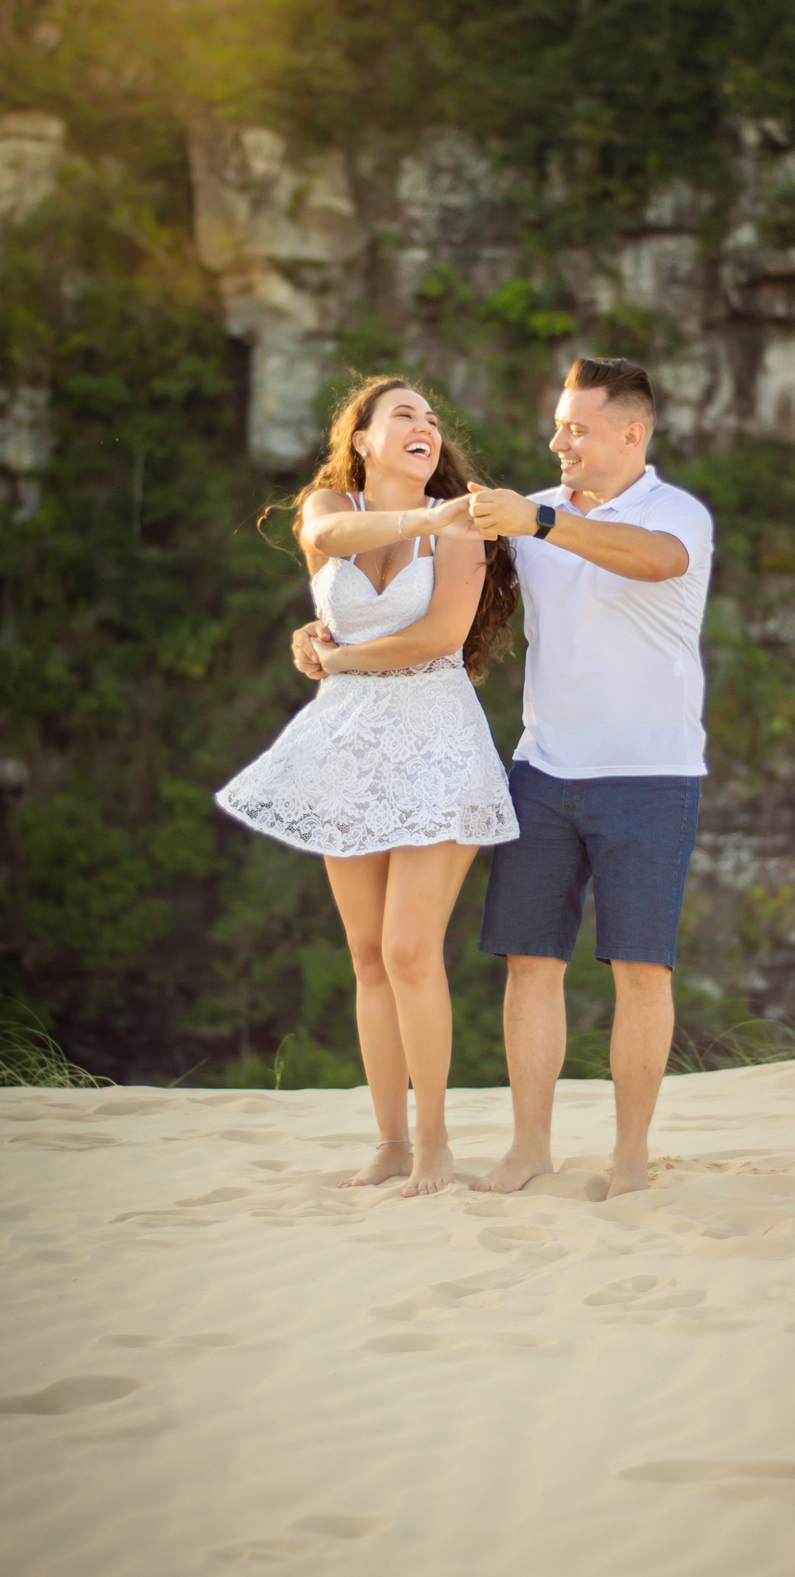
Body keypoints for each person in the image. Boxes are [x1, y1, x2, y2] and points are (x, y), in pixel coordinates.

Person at [216, 377, 518, 1198]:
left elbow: (439, 636)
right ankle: (388, 1140)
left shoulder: (463, 524)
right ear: (362, 439)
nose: (426, 426)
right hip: (350, 746)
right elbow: (331, 535)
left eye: (432, 418)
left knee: (410, 948)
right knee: (367, 955)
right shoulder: (328, 506)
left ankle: (434, 1143)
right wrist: (421, 520)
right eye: (404, 415)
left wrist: (337, 655)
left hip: (437, 742)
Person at [466, 356, 713, 1200]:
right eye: (557, 425)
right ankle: (529, 1147)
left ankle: (630, 1157)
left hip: (651, 777)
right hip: (541, 770)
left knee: (641, 970)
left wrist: (539, 520)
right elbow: (442, 583)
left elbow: (654, 561)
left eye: (577, 427)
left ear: (632, 433)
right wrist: (331, 634)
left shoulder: (674, 513)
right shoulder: (534, 516)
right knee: (528, 962)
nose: (558, 441)